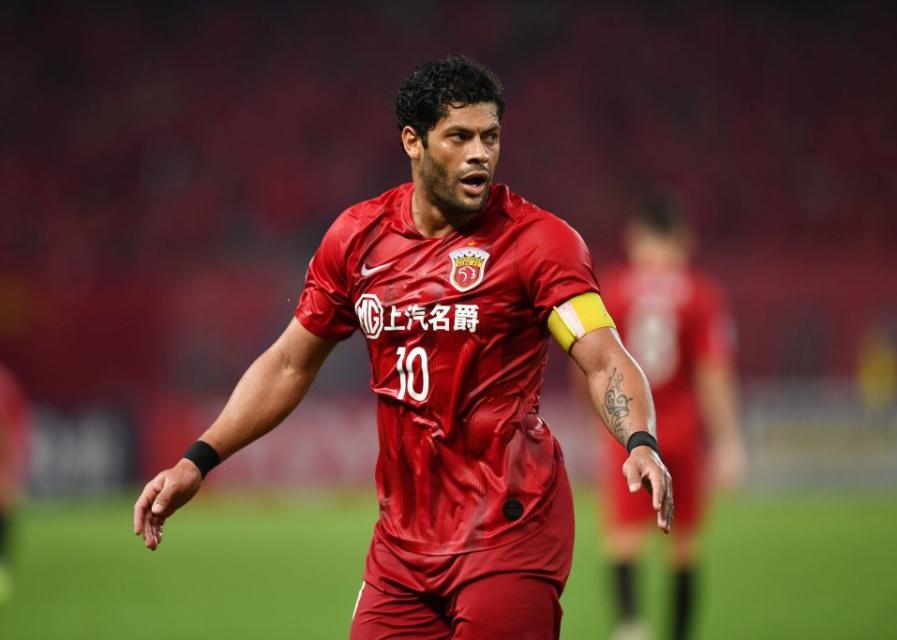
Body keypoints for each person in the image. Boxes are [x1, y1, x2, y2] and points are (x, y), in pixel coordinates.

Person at [132, 55, 674, 639]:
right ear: (412, 141)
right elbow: (290, 362)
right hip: (402, 548)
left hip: (508, 530)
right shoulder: (357, 238)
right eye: (459, 137)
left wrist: (638, 439)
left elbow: (602, 354)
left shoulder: (539, 243)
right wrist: (197, 460)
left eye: (490, 136)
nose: (480, 155)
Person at [596, 205, 746, 640]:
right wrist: (728, 438)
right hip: (680, 429)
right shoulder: (701, 293)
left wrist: (599, 423)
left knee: (623, 536)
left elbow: (592, 363)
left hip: (625, 430)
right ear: (683, 242)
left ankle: (629, 627)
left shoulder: (615, 288)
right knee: (683, 544)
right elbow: (713, 371)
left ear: (635, 238)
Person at [0, 362, 31, 604]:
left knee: (5, 501)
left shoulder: (5, 383)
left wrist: (10, 468)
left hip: (5, 460)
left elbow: (11, 429)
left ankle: (3, 565)